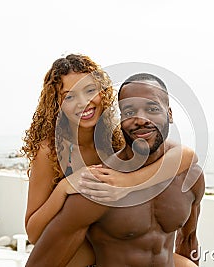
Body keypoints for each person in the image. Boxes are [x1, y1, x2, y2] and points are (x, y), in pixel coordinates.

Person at [22, 54, 199, 266]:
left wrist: (127, 183)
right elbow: (33, 234)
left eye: (90, 91)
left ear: (103, 92)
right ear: (57, 104)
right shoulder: (52, 150)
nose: (83, 102)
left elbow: (187, 156)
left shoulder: (114, 139)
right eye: (69, 96)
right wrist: (65, 187)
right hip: (76, 251)